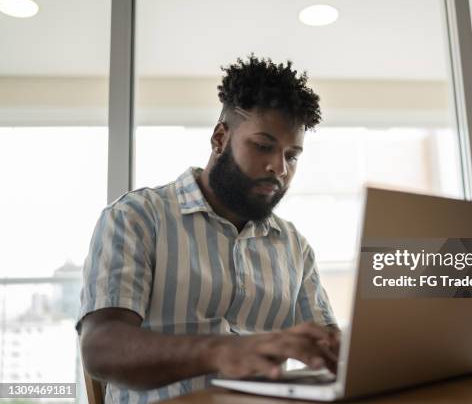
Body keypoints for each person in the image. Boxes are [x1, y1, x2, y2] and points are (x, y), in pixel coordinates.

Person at [77, 55, 339, 403]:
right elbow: (101, 348)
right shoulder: (137, 217)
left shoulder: (294, 246)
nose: (278, 167)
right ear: (220, 138)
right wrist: (222, 351)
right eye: (263, 146)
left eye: (292, 156)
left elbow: (327, 346)